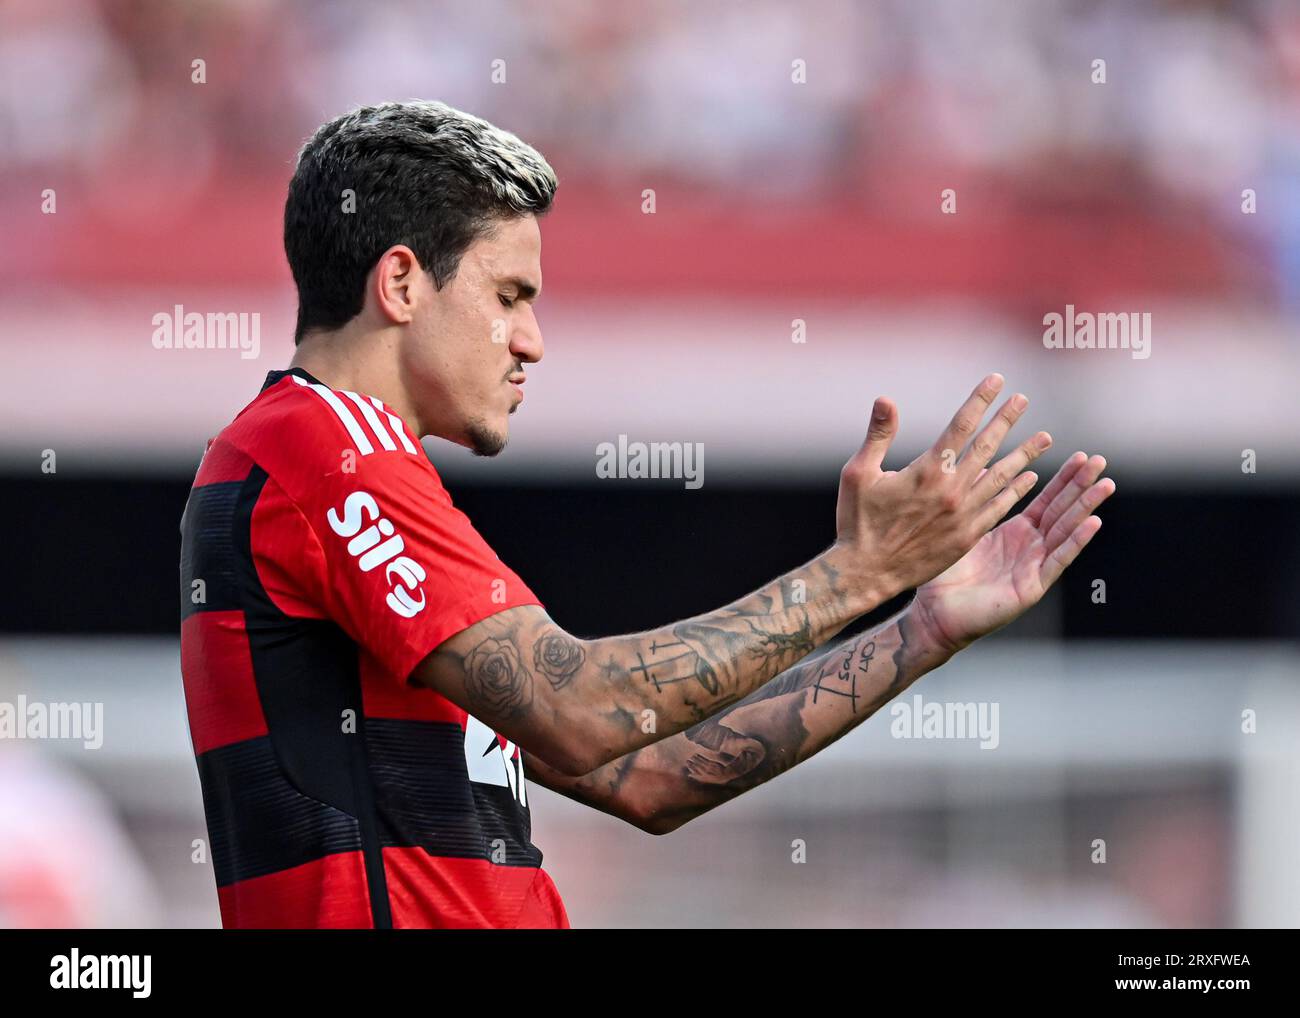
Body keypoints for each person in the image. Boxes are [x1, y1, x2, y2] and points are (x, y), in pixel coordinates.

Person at [178, 100, 1114, 929]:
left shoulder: (344, 473)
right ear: (401, 284)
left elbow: (654, 777)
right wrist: (858, 571)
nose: (532, 342)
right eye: (509, 297)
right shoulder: (322, 453)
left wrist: (921, 625)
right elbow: (581, 709)